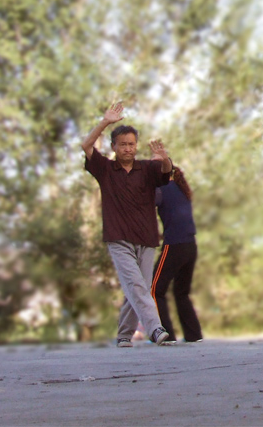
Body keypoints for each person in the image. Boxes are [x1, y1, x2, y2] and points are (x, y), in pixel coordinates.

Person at [82, 102, 175, 347]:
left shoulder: (147, 168)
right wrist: (105, 122)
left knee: (138, 288)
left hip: (146, 237)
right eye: (122, 144)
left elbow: (167, 172)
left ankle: (124, 335)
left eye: (131, 144)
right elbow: (85, 145)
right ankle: (156, 329)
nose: (127, 148)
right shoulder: (104, 169)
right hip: (118, 237)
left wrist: (165, 159)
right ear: (114, 147)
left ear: (136, 146)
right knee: (136, 285)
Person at [151, 165, 204, 343]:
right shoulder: (182, 189)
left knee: (155, 289)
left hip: (174, 245)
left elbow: (144, 209)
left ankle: (166, 335)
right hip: (190, 245)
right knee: (182, 292)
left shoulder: (161, 189)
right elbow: (177, 218)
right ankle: (194, 335)